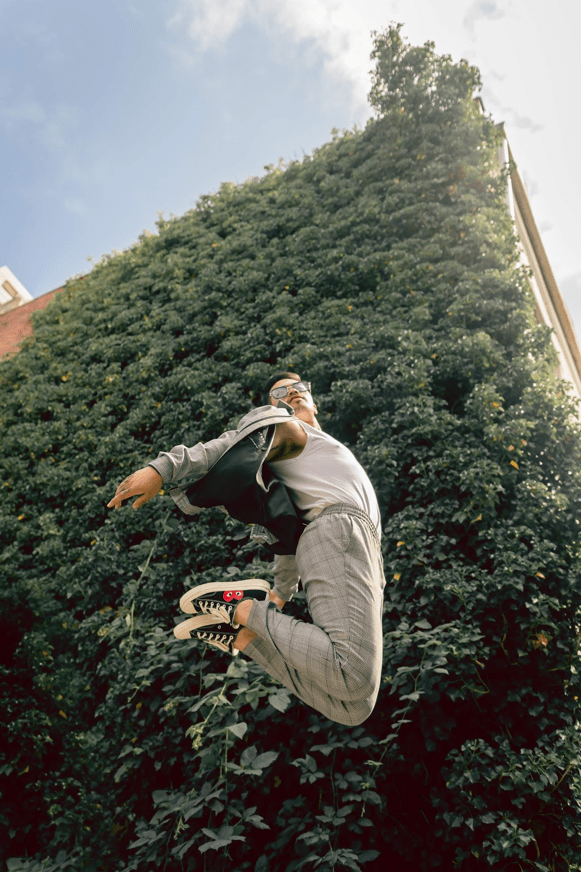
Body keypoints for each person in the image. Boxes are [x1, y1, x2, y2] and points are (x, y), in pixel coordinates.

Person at [107, 373, 385, 725]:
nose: (294, 393)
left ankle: (247, 636)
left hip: (354, 549)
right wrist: (162, 470)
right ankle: (242, 609)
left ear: (314, 400)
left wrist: (282, 592)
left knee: (354, 707)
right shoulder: (290, 429)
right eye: (281, 392)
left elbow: (287, 532)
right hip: (340, 533)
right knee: (354, 675)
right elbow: (233, 444)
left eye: (301, 388)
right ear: (274, 406)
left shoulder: (320, 447)